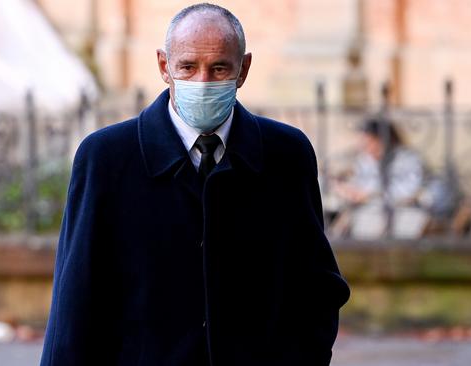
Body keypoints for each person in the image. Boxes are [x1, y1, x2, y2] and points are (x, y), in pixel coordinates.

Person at [40, 3, 349, 365]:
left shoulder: (285, 154)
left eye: (219, 68)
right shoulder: (108, 158)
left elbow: (315, 285)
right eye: (187, 66)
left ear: (243, 69)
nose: (202, 82)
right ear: (163, 66)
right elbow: (75, 299)